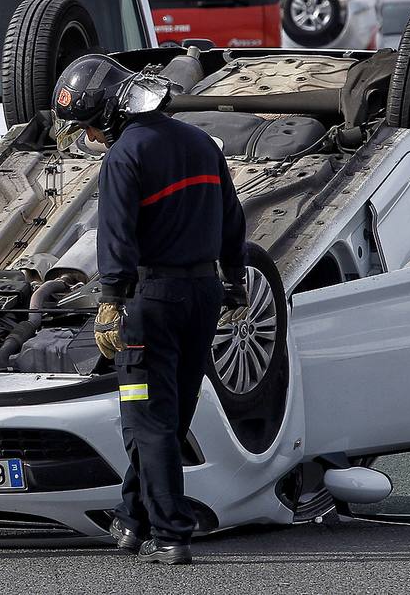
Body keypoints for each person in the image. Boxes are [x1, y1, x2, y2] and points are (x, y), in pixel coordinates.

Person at [52, 54, 247, 566]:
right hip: (203, 296)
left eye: (89, 125)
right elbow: (232, 217)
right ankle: (132, 518)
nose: (89, 135)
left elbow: (116, 238)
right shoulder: (201, 143)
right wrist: (236, 281)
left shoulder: (124, 156)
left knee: (146, 417)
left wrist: (110, 303)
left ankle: (170, 532)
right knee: (171, 413)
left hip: (148, 302)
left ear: (110, 115)